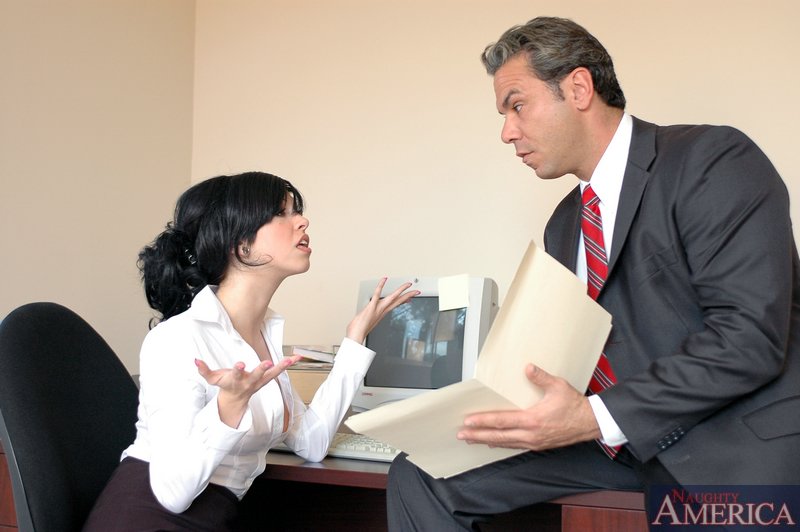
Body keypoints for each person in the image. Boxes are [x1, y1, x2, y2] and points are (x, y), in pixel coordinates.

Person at [387, 16, 800, 529]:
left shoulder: (711, 160)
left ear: (579, 88)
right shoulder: (565, 222)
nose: (507, 132)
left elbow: (749, 338)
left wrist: (592, 417)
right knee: (422, 472)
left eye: (517, 105)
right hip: (620, 440)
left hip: (725, 442)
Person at [83, 171, 417, 531]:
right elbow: (172, 493)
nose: (302, 221)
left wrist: (354, 341)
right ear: (240, 245)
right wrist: (228, 407)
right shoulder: (176, 339)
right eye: (281, 213)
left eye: (297, 211)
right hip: (146, 519)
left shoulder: (264, 337)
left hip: (216, 517)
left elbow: (312, 442)